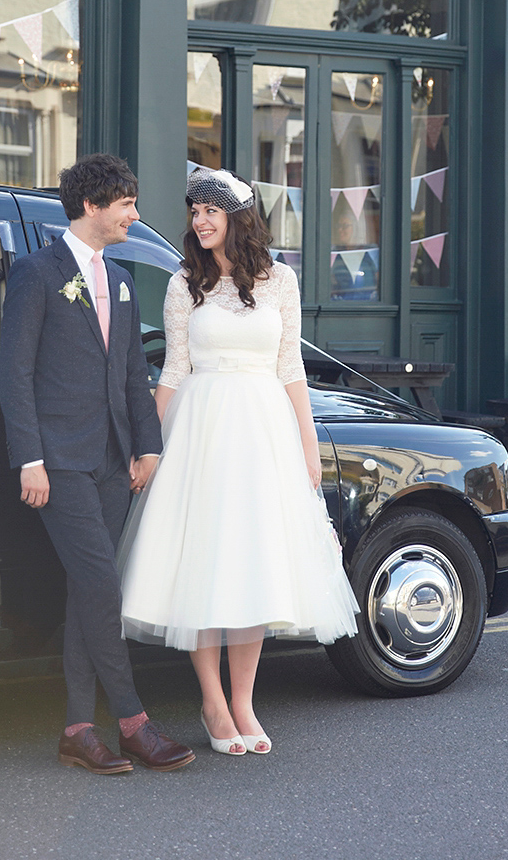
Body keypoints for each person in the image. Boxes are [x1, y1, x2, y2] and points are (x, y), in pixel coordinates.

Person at [118, 166, 358, 756]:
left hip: (264, 432)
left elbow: (291, 370)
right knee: (204, 561)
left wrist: (308, 449)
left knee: (253, 565)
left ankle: (245, 700)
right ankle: (212, 702)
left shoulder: (280, 281)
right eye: (194, 211)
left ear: (237, 218)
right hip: (200, 431)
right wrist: (147, 441)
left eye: (209, 211)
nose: (198, 221)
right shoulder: (184, 283)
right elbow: (174, 369)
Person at [0, 153, 194, 776]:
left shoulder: (126, 280)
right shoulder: (37, 272)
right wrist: (29, 459)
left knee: (91, 590)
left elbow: (135, 375)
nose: (134, 215)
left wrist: (148, 446)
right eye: (126, 204)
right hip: (58, 465)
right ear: (91, 206)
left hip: (115, 463)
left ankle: (78, 729)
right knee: (102, 587)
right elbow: (15, 374)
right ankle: (133, 721)